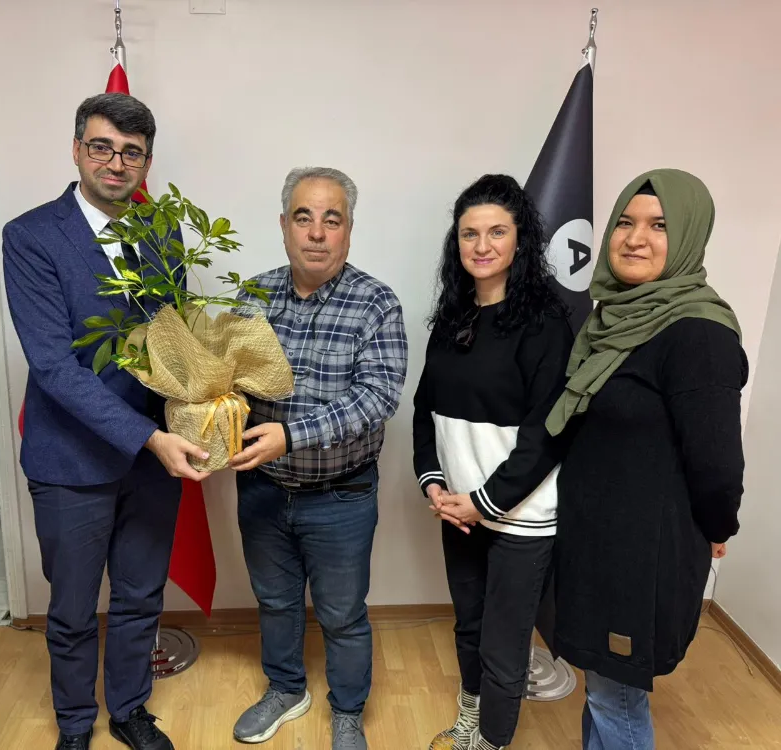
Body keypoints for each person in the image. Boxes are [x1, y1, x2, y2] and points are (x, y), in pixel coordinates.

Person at [2, 92, 207, 750]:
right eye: (102, 147)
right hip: (72, 459)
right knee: (70, 608)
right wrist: (149, 438)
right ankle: (73, 725)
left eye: (132, 153)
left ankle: (129, 709)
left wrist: (209, 395)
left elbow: (171, 340)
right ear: (76, 150)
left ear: (146, 162)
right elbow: (53, 366)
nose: (116, 163)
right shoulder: (31, 236)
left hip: (154, 460)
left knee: (141, 596)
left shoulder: (162, 233)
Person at [545, 169, 746, 750]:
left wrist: (718, 526)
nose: (635, 239)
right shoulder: (615, 320)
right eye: (625, 223)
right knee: (603, 686)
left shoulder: (698, 334)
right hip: (597, 544)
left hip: (640, 558)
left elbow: (717, 461)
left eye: (659, 226)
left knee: (617, 698)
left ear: (689, 237)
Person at [228, 166, 408, 750]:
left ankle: (348, 711)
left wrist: (291, 435)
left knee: (342, 613)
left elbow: (377, 398)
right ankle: (286, 689)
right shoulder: (251, 297)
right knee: (275, 602)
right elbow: (229, 383)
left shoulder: (376, 303)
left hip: (341, 497)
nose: (316, 232)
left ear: (349, 229)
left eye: (332, 219)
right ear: (284, 225)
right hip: (262, 489)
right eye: (303, 217)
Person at [412, 174, 573, 750]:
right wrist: (434, 484)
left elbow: (547, 436)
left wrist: (484, 503)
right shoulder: (452, 319)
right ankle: (471, 721)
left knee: (505, 645)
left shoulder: (547, 325)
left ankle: (493, 741)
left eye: (497, 232)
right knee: (470, 627)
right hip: (459, 511)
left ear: (521, 240)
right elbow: (424, 410)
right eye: (469, 234)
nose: (481, 246)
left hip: (519, 519)